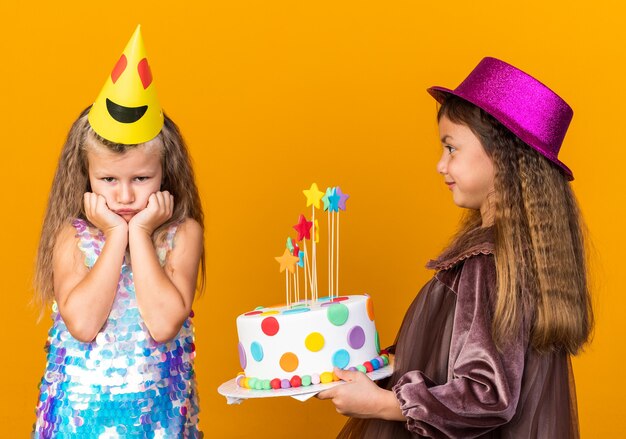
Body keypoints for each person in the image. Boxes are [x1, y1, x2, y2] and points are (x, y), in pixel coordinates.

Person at [318, 57, 593, 438]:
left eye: (451, 148)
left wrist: (380, 403)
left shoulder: (488, 262)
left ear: (502, 156)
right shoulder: (522, 256)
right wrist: (378, 367)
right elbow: (453, 351)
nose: (440, 165)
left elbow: (486, 394)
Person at [32, 26, 205, 438]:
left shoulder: (183, 234)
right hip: (78, 423)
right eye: (108, 179)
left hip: (158, 423)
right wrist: (115, 236)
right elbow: (84, 325)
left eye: (141, 178)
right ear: (86, 176)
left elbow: (163, 324)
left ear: (167, 172)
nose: (125, 195)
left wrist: (141, 234)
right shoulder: (72, 238)